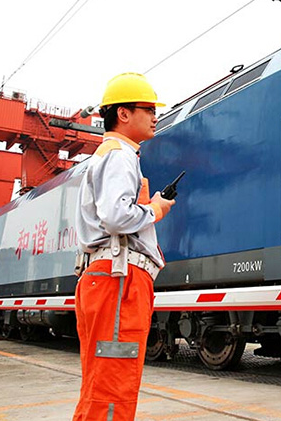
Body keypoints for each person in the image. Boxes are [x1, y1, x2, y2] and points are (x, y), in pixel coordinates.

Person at [73, 72, 175, 421]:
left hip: (106, 277)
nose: (155, 115)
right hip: (120, 279)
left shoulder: (107, 155)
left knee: (100, 383)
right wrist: (155, 210)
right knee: (114, 381)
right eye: (147, 108)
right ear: (123, 114)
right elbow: (116, 215)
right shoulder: (120, 156)